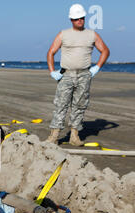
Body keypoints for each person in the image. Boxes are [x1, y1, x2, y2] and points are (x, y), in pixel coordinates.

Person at [46, 3, 110, 146]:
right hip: (66, 75)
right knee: (61, 105)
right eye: (76, 19)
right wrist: (52, 71)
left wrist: (97, 67)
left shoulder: (92, 34)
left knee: (80, 106)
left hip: (84, 75)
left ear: (84, 18)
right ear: (71, 20)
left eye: (81, 18)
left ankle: (74, 136)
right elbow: (51, 52)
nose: (79, 20)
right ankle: (54, 136)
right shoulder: (63, 34)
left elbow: (105, 50)